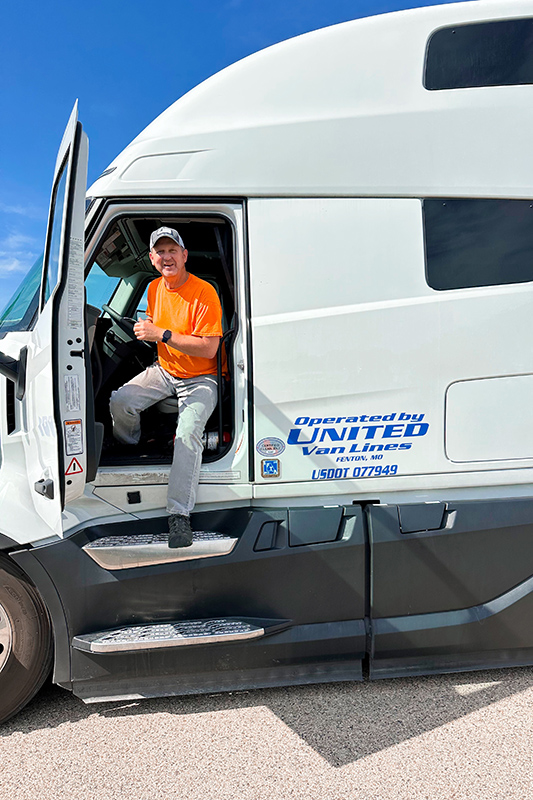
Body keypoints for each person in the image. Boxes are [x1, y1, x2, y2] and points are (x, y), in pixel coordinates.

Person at [109, 226, 222, 548]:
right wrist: (149, 332)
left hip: (202, 376)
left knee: (187, 435)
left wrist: (163, 335)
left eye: (172, 250)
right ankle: (130, 446)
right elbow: (153, 326)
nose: (166, 256)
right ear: (152, 258)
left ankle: (179, 515)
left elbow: (209, 349)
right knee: (122, 400)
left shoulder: (204, 292)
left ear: (184, 255)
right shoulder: (155, 288)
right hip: (166, 369)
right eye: (160, 252)